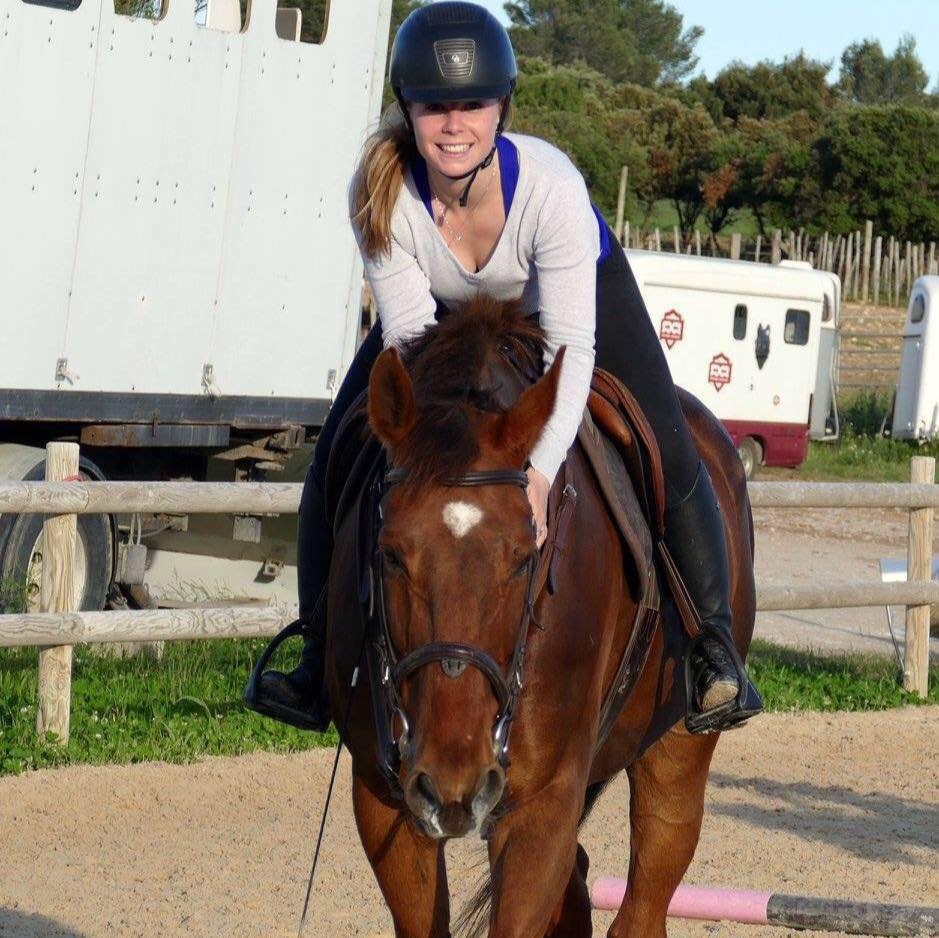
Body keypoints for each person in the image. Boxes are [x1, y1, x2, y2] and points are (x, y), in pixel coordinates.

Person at [245, 1, 761, 735]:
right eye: (433, 107)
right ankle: (315, 657)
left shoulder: (550, 187)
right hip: (440, 323)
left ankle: (711, 645)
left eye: (472, 105)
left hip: (572, 302)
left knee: (667, 443)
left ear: (502, 109)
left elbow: (571, 349)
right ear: (406, 109)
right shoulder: (380, 192)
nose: (453, 125)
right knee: (335, 452)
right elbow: (413, 336)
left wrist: (542, 473)